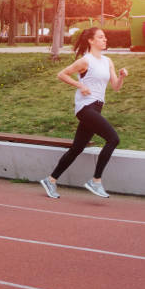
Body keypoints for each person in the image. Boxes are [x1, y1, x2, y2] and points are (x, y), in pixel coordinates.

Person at [40, 27, 128, 199]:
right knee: (113, 139)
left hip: (97, 107)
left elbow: (116, 87)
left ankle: (50, 180)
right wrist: (80, 85)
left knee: (77, 148)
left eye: (105, 37)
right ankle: (96, 181)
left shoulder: (108, 61)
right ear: (91, 40)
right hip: (85, 108)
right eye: (101, 37)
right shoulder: (85, 61)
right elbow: (62, 74)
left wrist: (121, 76)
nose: (105, 40)